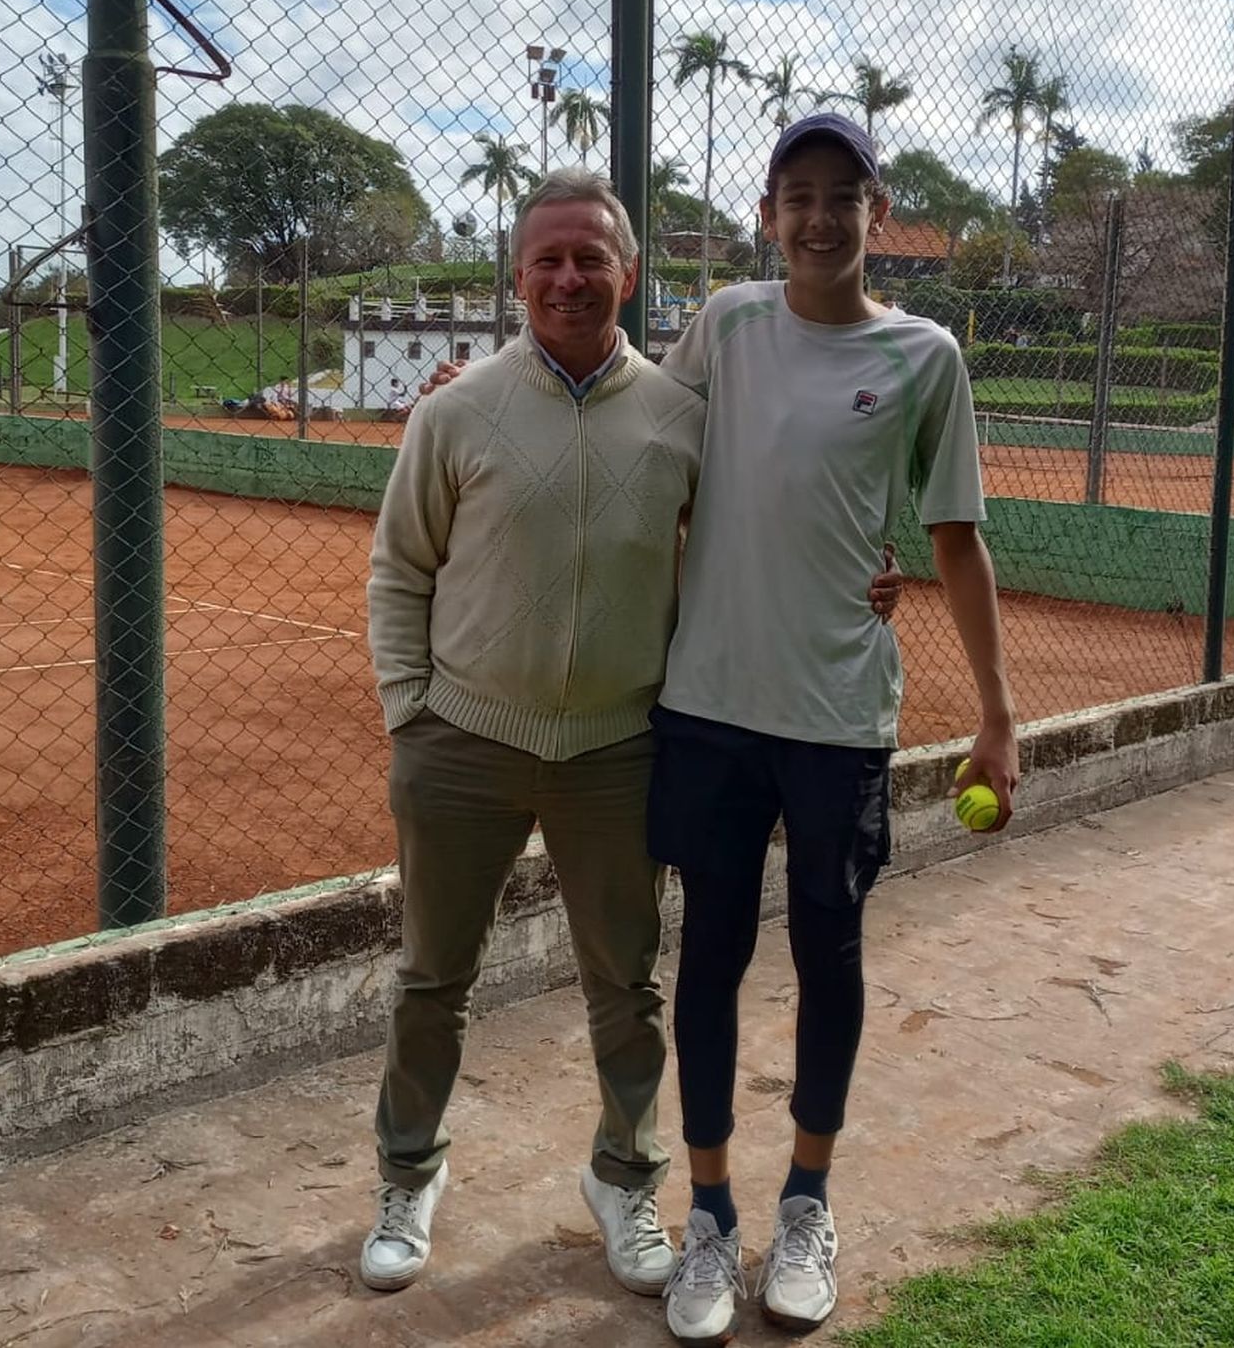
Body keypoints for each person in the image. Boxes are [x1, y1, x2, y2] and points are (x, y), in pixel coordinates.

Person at [365, 169, 903, 1301]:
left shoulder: (680, 413)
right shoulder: (455, 411)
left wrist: (859, 575)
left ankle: (625, 1176)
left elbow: (765, 520)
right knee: (432, 980)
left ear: (629, 272)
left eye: (591, 258)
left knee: (628, 985)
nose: (569, 278)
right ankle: (408, 1173)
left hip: (617, 749)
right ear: (517, 275)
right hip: (459, 741)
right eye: (548, 259)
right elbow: (399, 567)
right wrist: (409, 708)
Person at [650, 113, 1019, 1343]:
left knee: (830, 953)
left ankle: (805, 1198)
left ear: (878, 212)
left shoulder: (927, 357)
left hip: (836, 717)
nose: (818, 217)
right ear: (768, 215)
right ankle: (707, 1215)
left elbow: (954, 539)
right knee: (707, 957)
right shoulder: (725, 324)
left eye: (841, 195)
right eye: (795, 195)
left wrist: (998, 718)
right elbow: (648, 453)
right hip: (707, 707)